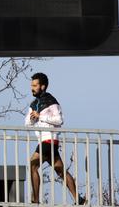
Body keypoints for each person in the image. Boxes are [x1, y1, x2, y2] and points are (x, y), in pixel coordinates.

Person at [25, 72, 86, 205]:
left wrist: (40, 116)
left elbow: (59, 120)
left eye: (35, 85)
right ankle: (78, 199)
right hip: (45, 142)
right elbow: (27, 123)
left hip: (49, 140)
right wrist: (32, 118)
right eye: (31, 85)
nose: (32, 88)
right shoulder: (34, 103)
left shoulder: (51, 101)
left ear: (43, 86)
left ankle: (35, 201)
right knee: (61, 172)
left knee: (32, 165)